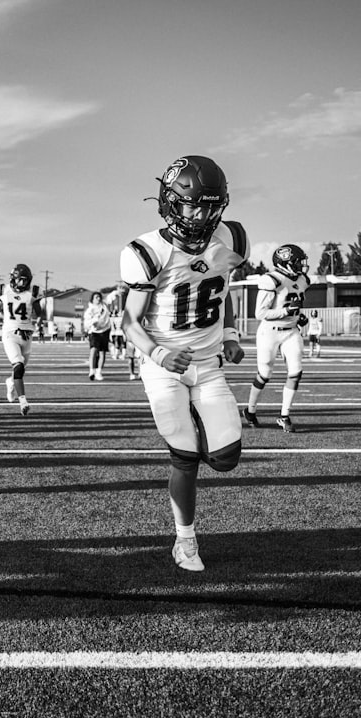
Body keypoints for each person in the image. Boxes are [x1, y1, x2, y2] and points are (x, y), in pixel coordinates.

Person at [120, 154, 248, 572]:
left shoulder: (232, 237)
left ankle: (198, 427)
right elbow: (129, 321)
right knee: (184, 456)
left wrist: (229, 335)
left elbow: (222, 289)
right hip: (163, 365)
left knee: (226, 457)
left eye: (211, 206)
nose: (201, 215)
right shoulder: (146, 251)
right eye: (193, 205)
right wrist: (159, 353)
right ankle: (185, 541)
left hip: (208, 363)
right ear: (170, 201)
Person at [244, 244, 310, 432]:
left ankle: (284, 415)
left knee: (296, 372)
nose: (302, 266)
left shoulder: (303, 279)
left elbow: (295, 302)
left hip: (291, 331)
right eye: (297, 262)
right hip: (270, 331)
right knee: (265, 374)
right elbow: (260, 313)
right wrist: (286, 311)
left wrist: (298, 316)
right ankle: (250, 410)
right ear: (286, 263)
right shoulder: (271, 280)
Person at [0, 264, 40, 413]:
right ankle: (23, 402)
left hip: (26, 335)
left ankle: (11, 383)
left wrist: (39, 320)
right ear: (13, 278)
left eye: (26, 281)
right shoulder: (2, 290)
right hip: (9, 333)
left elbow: (39, 312)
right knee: (18, 366)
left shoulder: (33, 292)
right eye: (21, 280)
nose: (24, 284)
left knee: (21, 369)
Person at [83, 291, 111, 380]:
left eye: (99, 297)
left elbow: (110, 298)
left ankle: (99, 372)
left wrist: (116, 292)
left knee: (102, 352)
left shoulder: (104, 307)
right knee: (93, 350)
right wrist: (93, 322)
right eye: (96, 297)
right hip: (94, 332)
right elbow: (86, 323)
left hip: (104, 331)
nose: (98, 299)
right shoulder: (90, 310)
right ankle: (92, 370)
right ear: (92, 299)